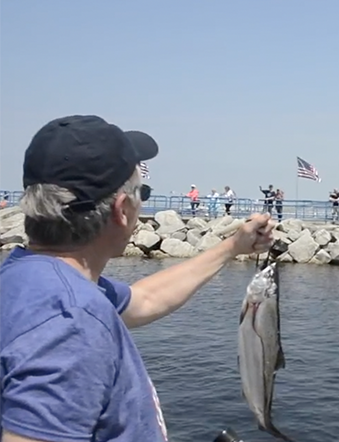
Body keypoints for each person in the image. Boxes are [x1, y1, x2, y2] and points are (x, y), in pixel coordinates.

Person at [0, 115, 276, 442]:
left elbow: (145, 299)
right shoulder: (71, 322)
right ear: (122, 209)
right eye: (141, 191)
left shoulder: (29, 278)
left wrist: (232, 246)